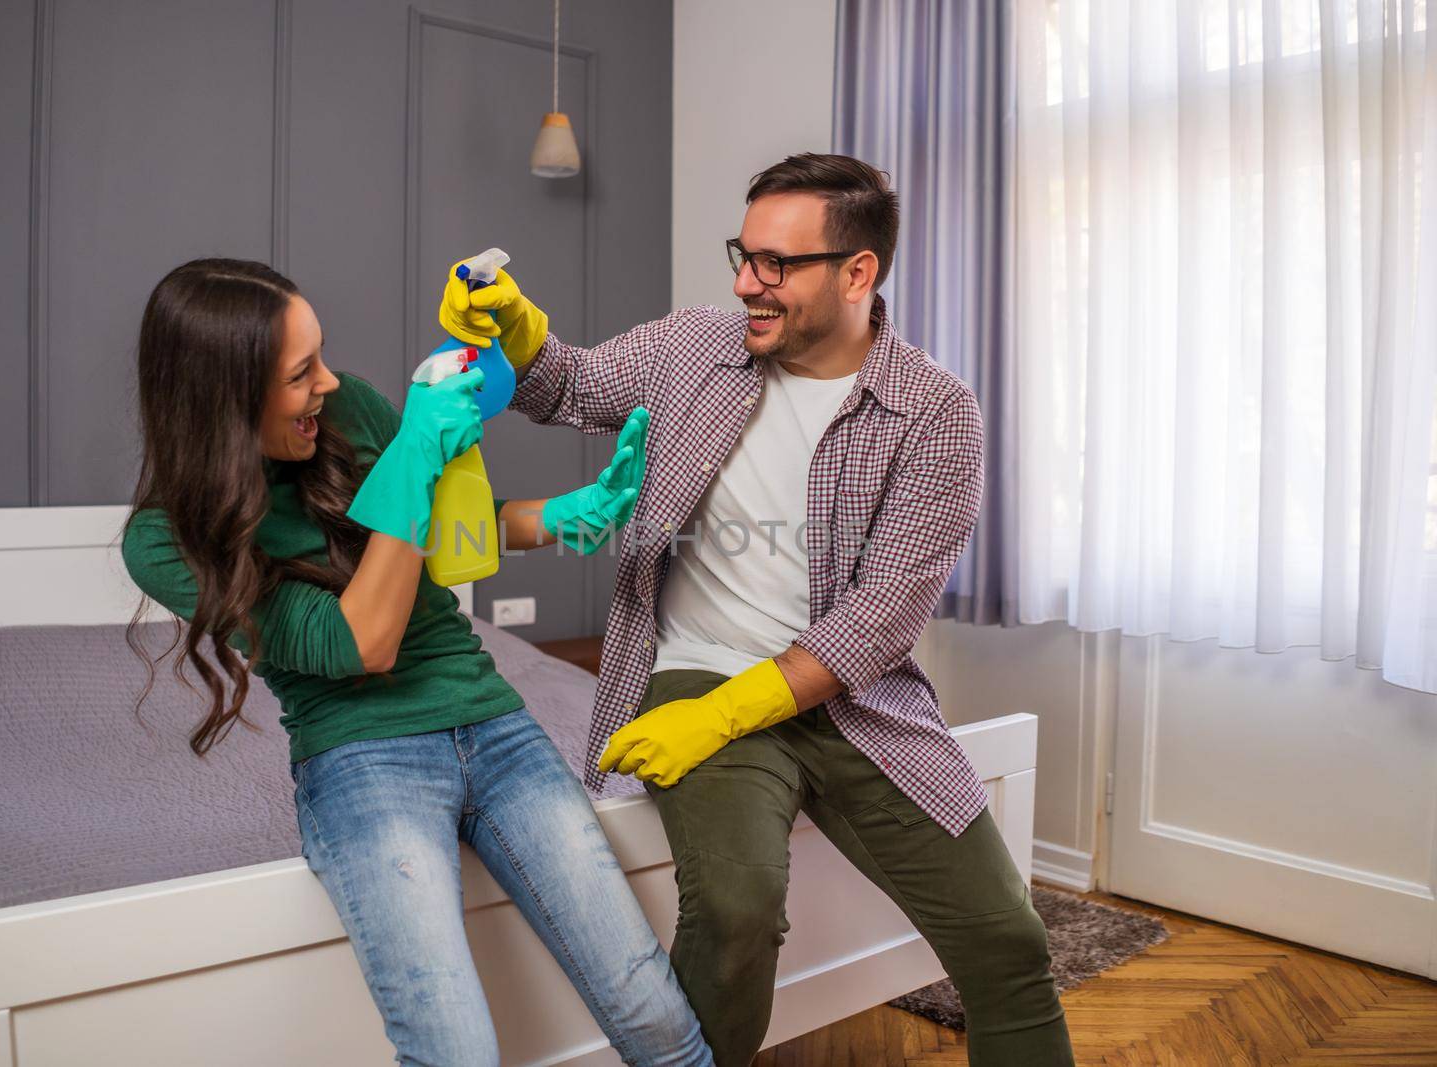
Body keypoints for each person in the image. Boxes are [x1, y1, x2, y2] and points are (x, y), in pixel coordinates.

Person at [438, 154, 1074, 1066]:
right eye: (743, 253)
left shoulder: (934, 414)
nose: (746, 282)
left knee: (1011, 941)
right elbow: (572, 386)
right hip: (696, 664)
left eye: (776, 264)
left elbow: (880, 621)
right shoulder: (698, 346)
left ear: (859, 272)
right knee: (737, 913)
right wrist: (518, 329)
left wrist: (729, 714)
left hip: (853, 694)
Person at [121, 258, 710, 1067]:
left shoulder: (349, 409)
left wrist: (565, 516)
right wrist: (414, 455)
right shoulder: (163, 542)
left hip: (493, 722)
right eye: (301, 374)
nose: (330, 383)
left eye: (320, 355)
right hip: (362, 757)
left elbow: (443, 537)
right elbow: (362, 640)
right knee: (455, 1052)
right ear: (225, 398)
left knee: (654, 1014)